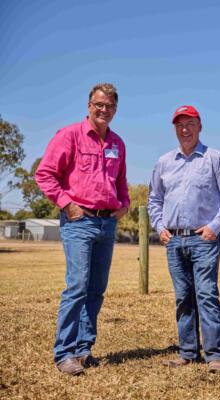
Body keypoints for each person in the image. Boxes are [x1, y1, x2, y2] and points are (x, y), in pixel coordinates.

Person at [35, 83, 130, 376]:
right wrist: (67, 204)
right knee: (77, 286)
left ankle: (84, 348)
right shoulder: (69, 136)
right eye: (99, 105)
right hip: (80, 221)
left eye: (110, 106)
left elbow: (121, 182)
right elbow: (45, 174)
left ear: (115, 109)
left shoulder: (117, 143)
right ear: (89, 105)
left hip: (106, 223)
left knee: (96, 290)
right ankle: (64, 353)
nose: (104, 110)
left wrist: (124, 204)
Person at [147, 105, 220, 373]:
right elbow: (154, 198)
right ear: (174, 129)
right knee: (183, 296)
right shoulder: (165, 162)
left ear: (200, 126)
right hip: (174, 241)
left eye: (190, 124)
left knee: (206, 294)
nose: (185, 130)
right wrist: (160, 226)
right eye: (180, 125)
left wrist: (215, 226)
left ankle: (214, 355)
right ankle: (188, 352)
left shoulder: (215, 158)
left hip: (203, 239)